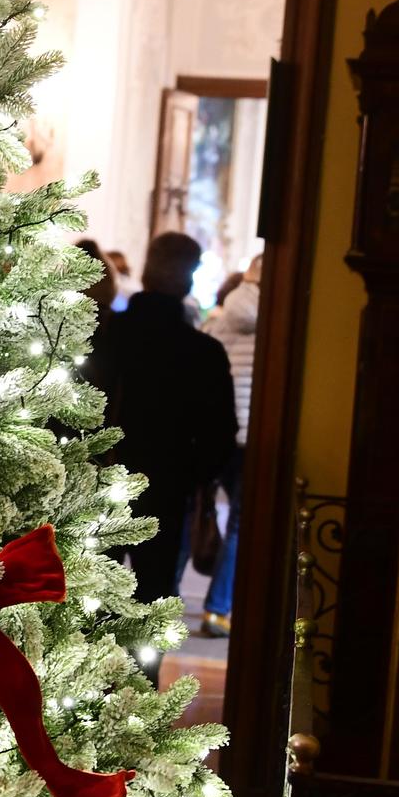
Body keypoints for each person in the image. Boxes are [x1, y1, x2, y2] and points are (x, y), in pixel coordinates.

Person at [83, 229, 238, 605]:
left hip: (102, 481)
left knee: (92, 597)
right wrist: (197, 477)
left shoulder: (107, 337)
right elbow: (220, 433)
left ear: (148, 272)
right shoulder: (204, 352)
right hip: (168, 490)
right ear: (187, 278)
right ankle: (143, 666)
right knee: (154, 599)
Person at [201, 253, 261, 634]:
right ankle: (219, 605)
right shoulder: (272, 320)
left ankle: (209, 603)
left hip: (222, 432)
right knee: (242, 522)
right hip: (250, 431)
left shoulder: (224, 317)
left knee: (217, 515)